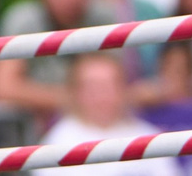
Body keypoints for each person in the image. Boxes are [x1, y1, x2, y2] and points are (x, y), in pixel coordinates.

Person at [0, 0, 129, 124]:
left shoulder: (102, 14)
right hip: (37, 130)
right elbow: (2, 88)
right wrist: (71, 100)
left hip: (94, 125)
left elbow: (115, 79)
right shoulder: (23, 19)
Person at [42, 54, 175, 175]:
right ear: (75, 92)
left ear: (124, 88)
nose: (102, 95)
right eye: (93, 87)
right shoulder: (58, 142)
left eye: (109, 86)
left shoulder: (148, 136)